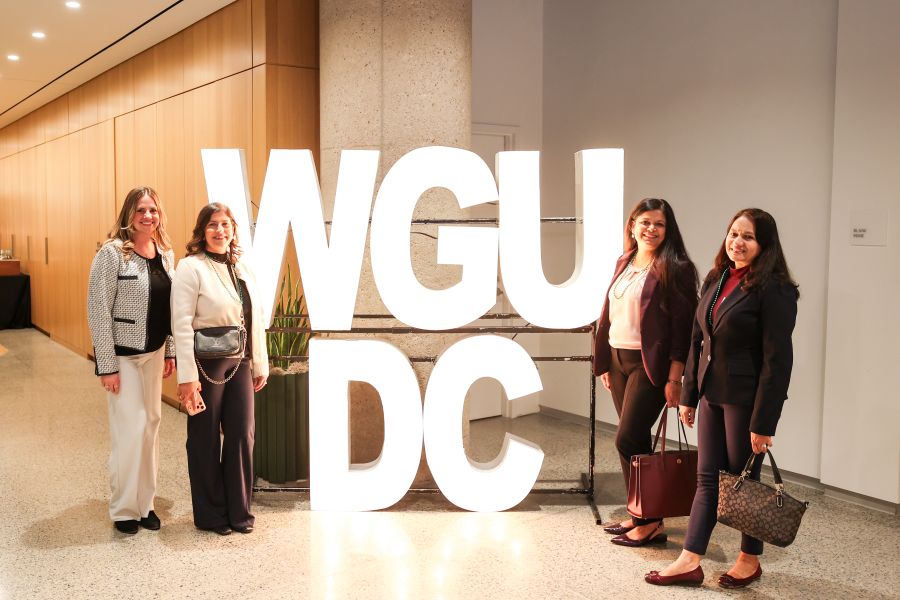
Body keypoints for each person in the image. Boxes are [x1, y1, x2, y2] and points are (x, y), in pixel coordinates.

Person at [645, 208, 798, 587]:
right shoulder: (717, 278)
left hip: (745, 401)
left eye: (748, 236)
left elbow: (777, 362)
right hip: (711, 395)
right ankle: (689, 560)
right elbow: (700, 342)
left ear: (764, 245)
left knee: (744, 483)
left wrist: (764, 423)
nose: (738, 242)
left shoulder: (774, 290)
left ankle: (749, 559)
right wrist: (689, 395)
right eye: (733, 234)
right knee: (707, 479)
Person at [592, 198, 699, 546]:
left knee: (626, 438)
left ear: (668, 231)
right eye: (645, 222)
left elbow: (684, 330)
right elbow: (612, 313)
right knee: (635, 443)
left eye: (659, 225)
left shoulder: (676, 267)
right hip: (619, 360)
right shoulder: (625, 261)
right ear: (632, 225)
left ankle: (651, 521)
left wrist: (674, 378)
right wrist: (607, 362)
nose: (651, 230)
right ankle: (639, 513)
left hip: (648, 365)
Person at [170, 202, 268, 536]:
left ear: (233, 229)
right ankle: (211, 515)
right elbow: (181, 325)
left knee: (242, 433)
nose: (219, 230)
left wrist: (259, 363)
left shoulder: (241, 267)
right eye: (212, 224)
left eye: (225, 224)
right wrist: (187, 378)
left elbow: (255, 319)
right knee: (204, 437)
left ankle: (239, 512)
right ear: (202, 230)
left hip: (240, 361)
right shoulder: (190, 267)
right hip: (204, 363)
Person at [87, 186, 176, 535]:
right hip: (123, 358)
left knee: (151, 426)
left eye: (153, 210)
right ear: (128, 214)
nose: (148, 216)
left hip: (153, 354)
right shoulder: (111, 255)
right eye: (141, 210)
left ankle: (145, 505)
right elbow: (98, 311)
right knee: (129, 430)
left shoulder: (166, 254)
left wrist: (169, 352)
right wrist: (106, 365)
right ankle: (124, 508)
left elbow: (171, 309)